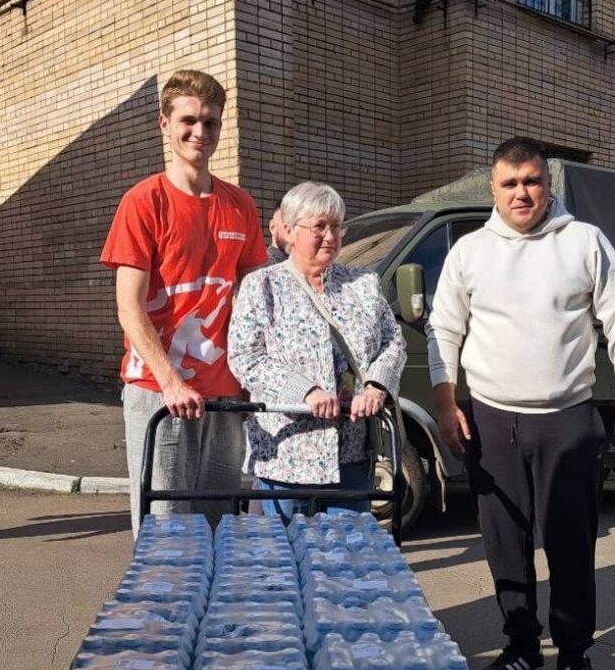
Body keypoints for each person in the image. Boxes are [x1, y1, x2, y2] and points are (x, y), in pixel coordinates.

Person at [425, 137, 615, 670]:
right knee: (505, 542)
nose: (521, 192)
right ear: (493, 190)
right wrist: (447, 402)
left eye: (531, 181)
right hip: (492, 419)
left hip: (568, 418)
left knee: (571, 545)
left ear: (547, 184)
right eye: (510, 183)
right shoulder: (470, 252)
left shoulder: (584, 242)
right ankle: (522, 647)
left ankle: (573, 657)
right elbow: (443, 330)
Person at [100, 70, 268, 537]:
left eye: (211, 122)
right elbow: (129, 307)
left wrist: (256, 378)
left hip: (225, 394)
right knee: (164, 532)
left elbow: (253, 301)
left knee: (222, 524)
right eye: (189, 121)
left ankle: (216, 613)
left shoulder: (240, 205)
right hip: (159, 391)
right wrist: (172, 382)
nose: (200, 132)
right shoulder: (143, 202)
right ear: (164, 124)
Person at [228, 181, 407, 523]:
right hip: (286, 456)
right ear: (291, 232)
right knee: (280, 559)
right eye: (319, 227)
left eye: (336, 226)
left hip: (351, 454)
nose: (330, 236)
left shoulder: (362, 283)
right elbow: (245, 356)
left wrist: (376, 386)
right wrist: (305, 391)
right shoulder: (263, 286)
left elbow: (393, 342)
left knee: (341, 559)